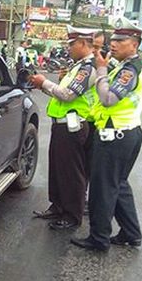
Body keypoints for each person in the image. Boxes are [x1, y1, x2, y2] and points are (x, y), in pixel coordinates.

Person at [71, 17, 142, 251]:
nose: (113, 44)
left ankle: (99, 238)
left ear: (134, 44)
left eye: (121, 40)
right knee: (118, 184)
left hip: (116, 136)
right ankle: (131, 233)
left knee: (103, 187)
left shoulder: (130, 71)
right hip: (126, 133)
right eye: (113, 39)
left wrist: (102, 70)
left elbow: (108, 98)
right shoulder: (125, 66)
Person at [30, 26, 99, 230]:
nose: (68, 48)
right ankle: (58, 205)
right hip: (61, 125)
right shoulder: (77, 66)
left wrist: (45, 82)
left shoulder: (88, 68)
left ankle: (72, 215)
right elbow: (61, 94)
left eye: (72, 44)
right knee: (58, 169)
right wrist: (43, 86)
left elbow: (68, 95)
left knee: (72, 172)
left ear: (84, 44)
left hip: (73, 127)